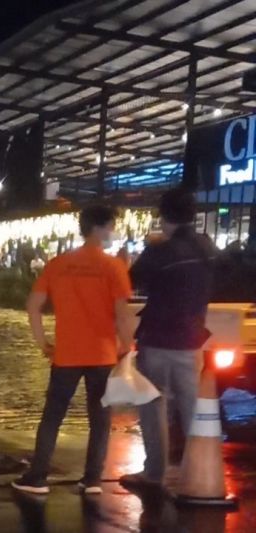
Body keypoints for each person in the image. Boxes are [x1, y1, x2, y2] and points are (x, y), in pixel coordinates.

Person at [12, 205, 134, 495]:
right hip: (103, 355)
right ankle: (92, 479)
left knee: (53, 415)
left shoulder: (57, 264)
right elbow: (122, 313)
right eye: (110, 227)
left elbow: (33, 306)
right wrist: (126, 346)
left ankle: (38, 477)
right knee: (100, 418)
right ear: (100, 228)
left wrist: (43, 344)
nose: (112, 232)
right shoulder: (113, 266)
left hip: (66, 355)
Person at [120, 188, 215, 489]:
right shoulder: (207, 248)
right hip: (192, 340)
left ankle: (154, 473)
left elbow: (129, 283)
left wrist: (132, 257)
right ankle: (202, 474)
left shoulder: (160, 251)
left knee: (152, 406)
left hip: (158, 339)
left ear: (164, 217)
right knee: (192, 410)